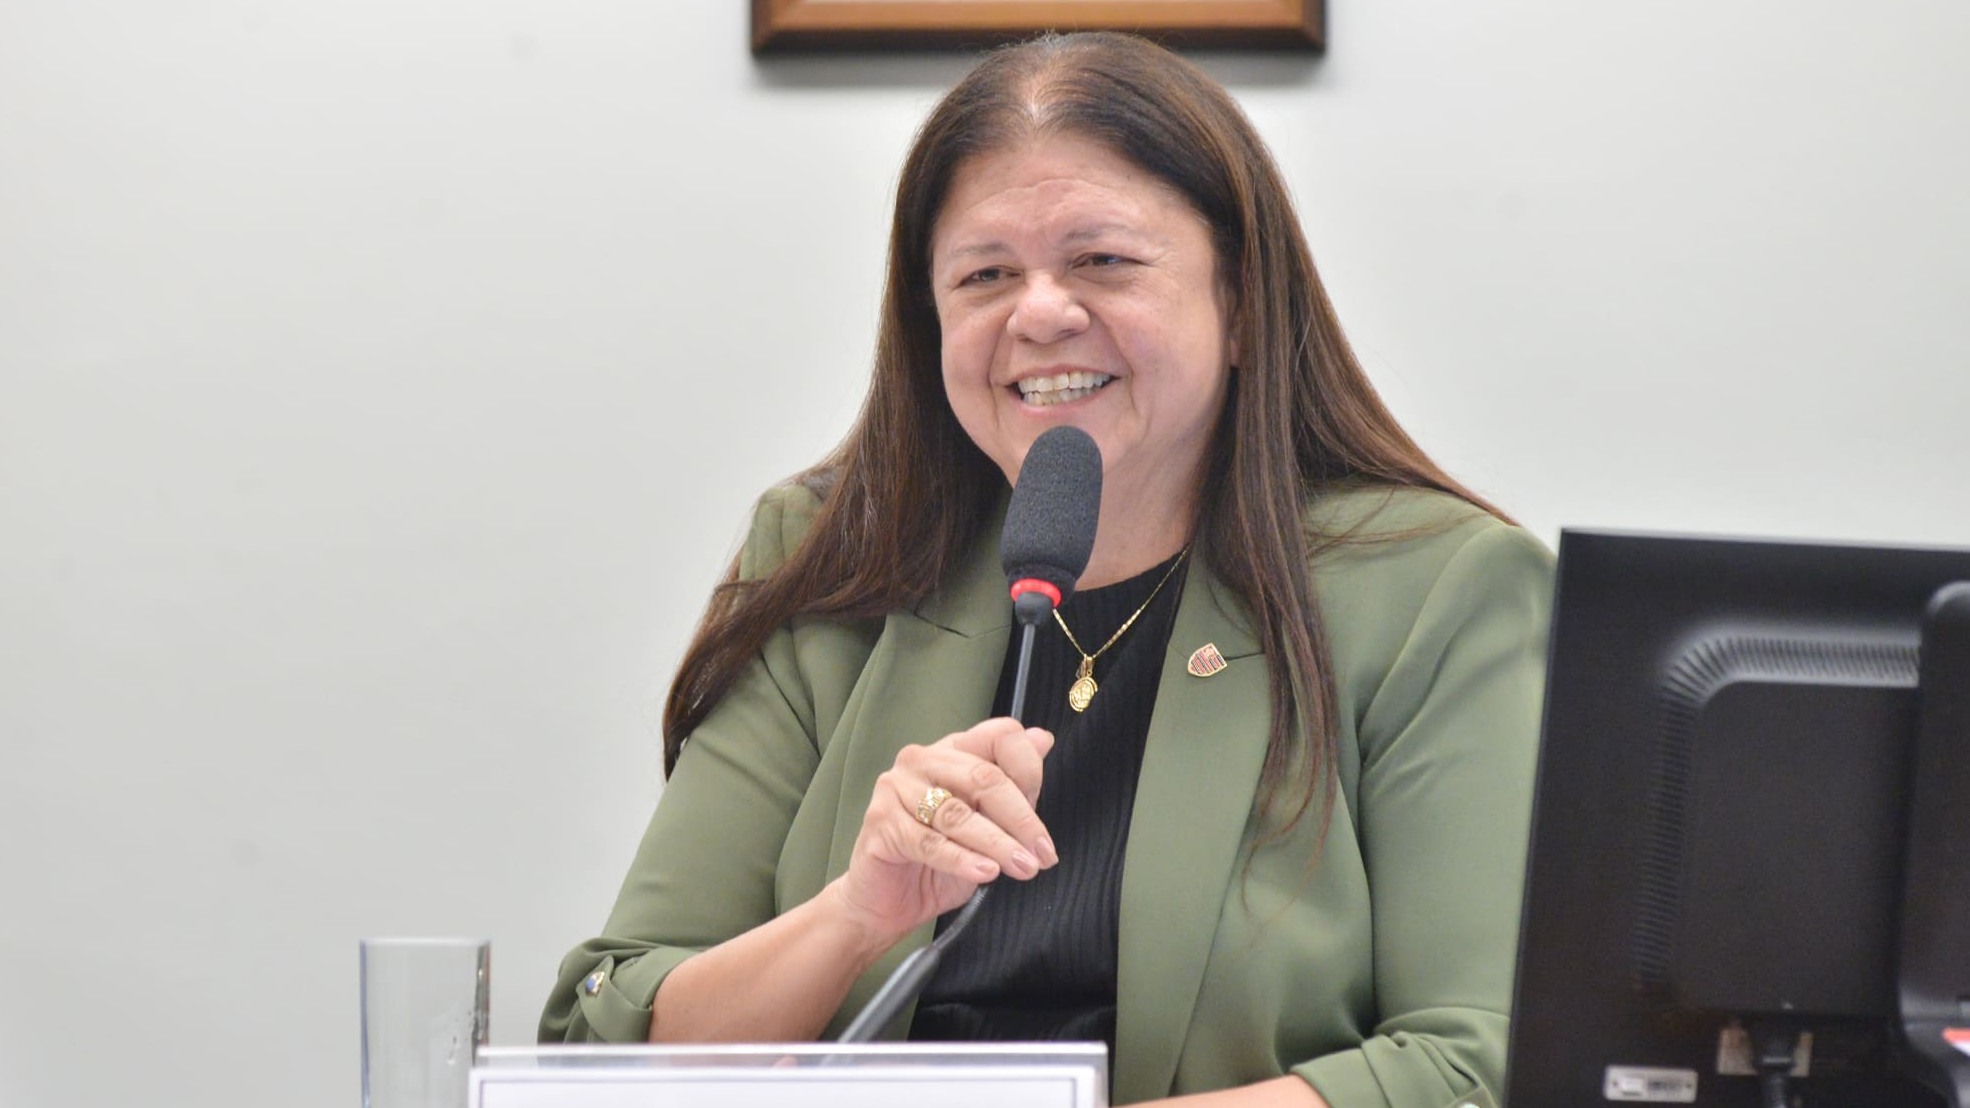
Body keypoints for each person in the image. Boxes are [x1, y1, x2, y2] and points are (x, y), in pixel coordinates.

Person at [540, 31, 1553, 1108]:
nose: (1037, 313)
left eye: (1101, 261)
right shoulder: (832, 560)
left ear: (1243, 305)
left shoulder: (1432, 588)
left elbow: (1483, 1062)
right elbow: (607, 1039)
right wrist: (851, 917)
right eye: (983, 275)